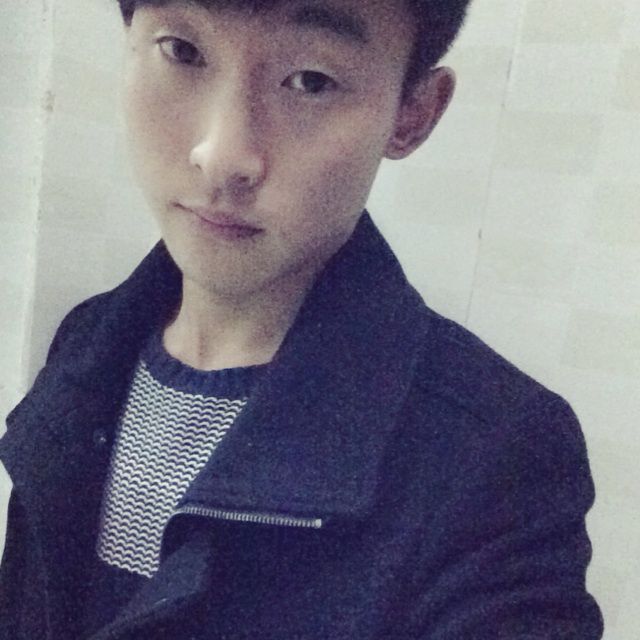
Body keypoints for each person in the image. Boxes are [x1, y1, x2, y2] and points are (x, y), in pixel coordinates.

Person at [0, 0, 603, 638]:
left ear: (413, 113)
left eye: (311, 81)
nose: (221, 155)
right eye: (183, 51)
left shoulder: (499, 454)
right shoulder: (88, 342)